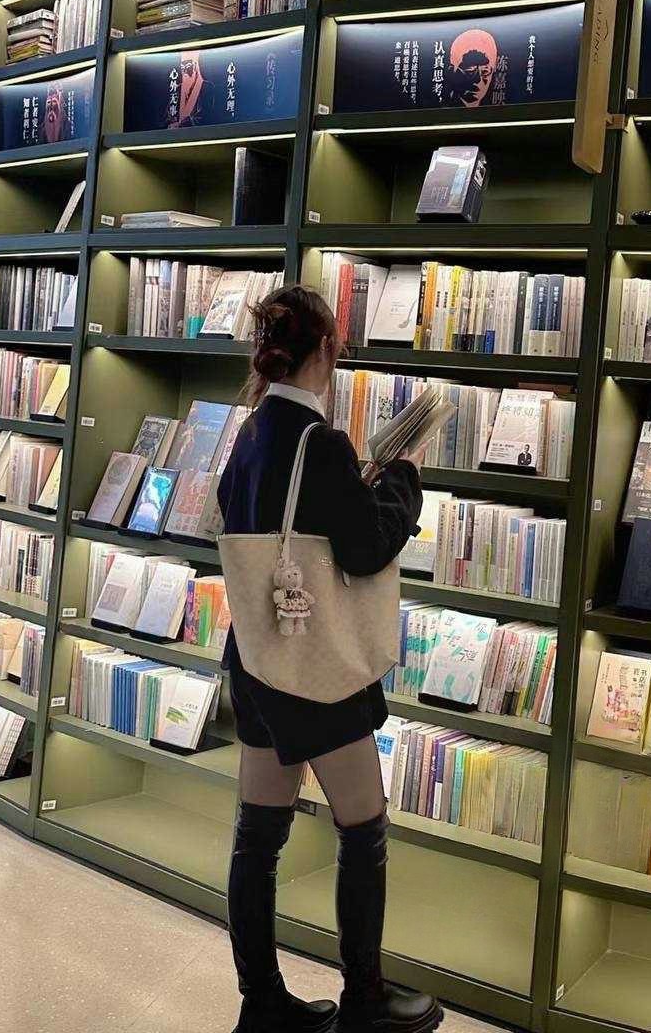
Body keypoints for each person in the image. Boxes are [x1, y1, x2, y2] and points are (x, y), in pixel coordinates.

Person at [217, 284, 442, 1033]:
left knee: (258, 837)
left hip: (258, 655)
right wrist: (401, 478)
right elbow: (366, 548)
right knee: (363, 828)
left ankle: (262, 1004)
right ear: (326, 350)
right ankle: (365, 1002)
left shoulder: (251, 431)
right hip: (317, 668)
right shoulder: (322, 443)